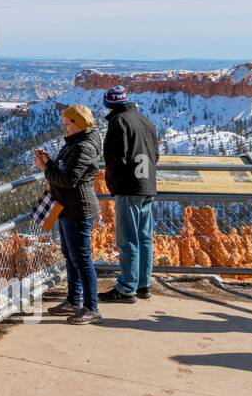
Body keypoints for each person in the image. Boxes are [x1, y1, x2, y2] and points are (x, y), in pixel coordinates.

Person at [34, 104, 102, 324]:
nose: (63, 127)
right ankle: (73, 300)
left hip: (78, 210)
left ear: (79, 123)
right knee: (71, 256)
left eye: (67, 123)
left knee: (82, 259)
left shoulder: (84, 147)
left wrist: (46, 170)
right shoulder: (75, 143)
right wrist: (49, 163)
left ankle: (92, 308)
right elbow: (65, 170)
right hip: (67, 208)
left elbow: (68, 179)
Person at [99, 85, 160, 303]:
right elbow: (156, 155)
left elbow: (115, 158)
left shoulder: (118, 122)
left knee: (127, 240)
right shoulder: (145, 121)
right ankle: (143, 285)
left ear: (109, 105)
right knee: (144, 238)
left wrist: (112, 183)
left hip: (128, 187)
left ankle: (126, 288)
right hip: (148, 186)